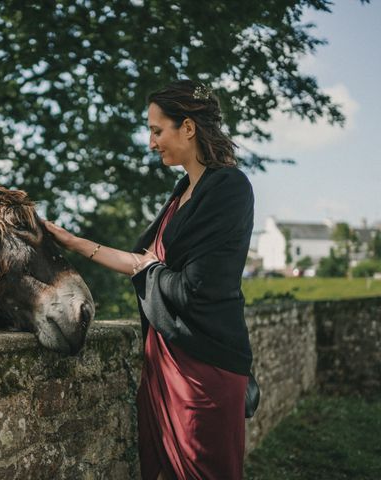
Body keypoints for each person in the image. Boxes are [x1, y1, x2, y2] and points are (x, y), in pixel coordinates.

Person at [44, 79, 254, 480]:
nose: (151, 141)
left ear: (187, 127)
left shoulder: (229, 188)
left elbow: (199, 286)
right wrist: (73, 242)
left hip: (202, 366)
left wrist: (150, 271)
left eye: (157, 130)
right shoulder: (182, 192)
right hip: (163, 358)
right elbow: (144, 262)